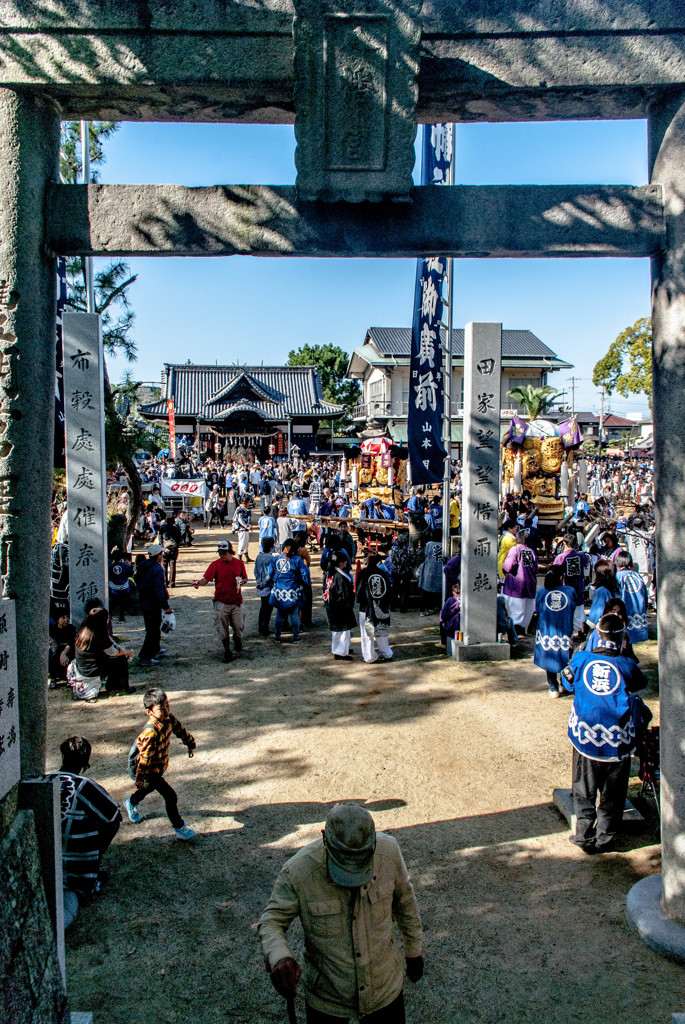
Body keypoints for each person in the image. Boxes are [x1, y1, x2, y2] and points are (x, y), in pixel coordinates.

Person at [258, 802, 423, 1024]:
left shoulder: (389, 851)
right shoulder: (298, 871)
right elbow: (271, 921)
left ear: (374, 841)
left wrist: (414, 950)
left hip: (385, 992)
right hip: (328, 1003)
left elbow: (405, 900)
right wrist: (279, 957)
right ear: (324, 838)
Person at [560, 613, 650, 853]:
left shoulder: (581, 659)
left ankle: (583, 835)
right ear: (622, 637)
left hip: (586, 736)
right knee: (613, 793)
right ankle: (605, 837)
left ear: (597, 634)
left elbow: (566, 682)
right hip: (617, 740)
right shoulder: (625, 664)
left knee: (583, 788)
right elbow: (641, 682)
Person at [46, 736, 121, 920]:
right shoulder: (85, 786)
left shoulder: (46, 780)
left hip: (45, 864)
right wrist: (98, 852)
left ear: (63, 756)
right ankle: (90, 877)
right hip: (75, 871)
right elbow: (114, 817)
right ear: (86, 762)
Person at [123, 687, 197, 840]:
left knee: (147, 789)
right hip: (149, 771)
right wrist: (140, 779)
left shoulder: (168, 718)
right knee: (170, 796)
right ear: (149, 712)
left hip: (158, 767)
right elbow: (144, 759)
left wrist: (190, 743)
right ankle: (179, 828)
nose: (166, 710)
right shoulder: (150, 733)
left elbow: (179, 729)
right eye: (161, 709)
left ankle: (131, 801)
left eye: (167, 706)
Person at [193, 540, 247, 662]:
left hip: (236, 601)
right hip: (221, 602)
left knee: (239, 626)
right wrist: (199, 583)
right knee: (222, 628)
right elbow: (206, 579)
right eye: (220, 553)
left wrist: (243, 581)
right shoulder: (215, 565)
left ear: (230, 552)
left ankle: (237, 639)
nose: (221, 555)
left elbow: (245, 578)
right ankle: (227, 651)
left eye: (223, 553)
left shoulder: (239, 563)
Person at [71, 608, 135, 699]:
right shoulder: (98, 634)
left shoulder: (86, 630)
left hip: (83, 667)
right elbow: (112, 652)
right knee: (120, 659)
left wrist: (120, 648)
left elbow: (109, 641)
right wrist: (128, 653)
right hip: (91, 669)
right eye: (107, 617)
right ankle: (122, 688)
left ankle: (113, 686)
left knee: (116, 657)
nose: (109, 620)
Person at [534, 566, 576, 698]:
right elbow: (573, 608)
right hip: (564, 629)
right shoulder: (570, 591)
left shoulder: (542, 592)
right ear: (561, 577)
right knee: (565, 657)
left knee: (549, 656)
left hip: (547, 630)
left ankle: (553, 686)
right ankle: (564, 683)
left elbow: (538, 609)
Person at [267, 538, 311, 644]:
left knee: (279, 615)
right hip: (293, 591)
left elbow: (270, 573)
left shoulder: (276, 558)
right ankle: (296, 637)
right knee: (294, 614)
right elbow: (305, 573)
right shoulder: (297, 560)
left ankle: (277, 636)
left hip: (279, 591)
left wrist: (271, 583)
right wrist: (306, 582)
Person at [135, 544, 173, 666]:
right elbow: (158, 589)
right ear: (158, 556)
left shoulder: (142, 566)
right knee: (152, 630)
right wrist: (165, 606)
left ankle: (155, 650)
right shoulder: (157, 569)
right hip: (153, 603)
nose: (162, 556)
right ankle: (145, 656)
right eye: (161, 554)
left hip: (144, 600)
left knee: (153, 629)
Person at [356, 554, 393, 663]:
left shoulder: (363, 573)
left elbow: (359, 592)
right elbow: (389, 590)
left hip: (366, 607)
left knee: (367, 634)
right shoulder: (383, 573)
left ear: (367, 561)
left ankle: (369, 656)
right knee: (381, 631)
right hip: (382, 606)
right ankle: (386, 653)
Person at [553, 532, 591, 637]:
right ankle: (580, 631)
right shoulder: (582, 555)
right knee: (579, 611)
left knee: (566, 610)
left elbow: (555, 573)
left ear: (564, 543)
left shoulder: (560, 558)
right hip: (578, 586)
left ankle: (566, 631)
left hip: (565, 588)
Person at [501, 530, 538, 634]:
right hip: (530, 585)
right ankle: (522, 631)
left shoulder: (515, 550)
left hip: (515, 586)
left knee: (514, 613)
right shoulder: (531, 551)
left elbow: (508, 567)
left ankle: (515, 635)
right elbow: (535, 569)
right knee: (526, 611)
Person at [322, 551, 356, 659]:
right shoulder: (339, 577)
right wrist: (349, 604)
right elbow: (345, 594)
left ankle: (338, 649)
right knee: (343, 631)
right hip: (341, 607)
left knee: (336, 631)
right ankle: (341, 652)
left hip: (331, 606)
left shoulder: (329, 574)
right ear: (341, 563)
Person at [615, 551, 649, 643]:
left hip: (625, 611)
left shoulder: (617, 576)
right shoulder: (637, 576)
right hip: (639, 612)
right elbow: (645, 594)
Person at [254, 536, 277, 637]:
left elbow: (255, 571)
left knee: (263, 607)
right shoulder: (271, 558)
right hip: (267, 586)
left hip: (260, 584)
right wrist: (264, 583)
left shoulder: (259, 556)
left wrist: (259, 581)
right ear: (271, 546)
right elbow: (270, 574)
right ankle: (264, 628)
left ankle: (261, 627)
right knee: (267, 609)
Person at [417, 531, 443, 616]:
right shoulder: (444, 544)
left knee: (426, 591)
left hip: (429, 570)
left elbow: (425, 554)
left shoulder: (429, 544)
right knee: (439, 592)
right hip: (440, 570)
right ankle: (437, 608)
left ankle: (423, 610)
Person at [49, 607, 76, 687]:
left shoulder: (71, 628)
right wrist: (61, 654)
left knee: (72, 655)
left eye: (67, 617)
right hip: (56, 650)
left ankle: (69, 677)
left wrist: (64, 653)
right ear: (57, 619)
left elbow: (71, 642)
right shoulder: (52, 629)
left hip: (68, 649)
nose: (66, 619)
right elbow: (53, 643)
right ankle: (53, 677)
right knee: (52, 655)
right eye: (63, 618)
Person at [108, 549, 135, 621]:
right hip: (124, 587)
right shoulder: (125, 565)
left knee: (113, 602)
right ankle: (121, 616)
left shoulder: (109, 567)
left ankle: (110, 615)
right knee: (123, 602)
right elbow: (130, 574)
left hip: (113, 587)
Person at [158, 512, 183, 587]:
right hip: (174, 549)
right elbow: (179, 540)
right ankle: (172, 582)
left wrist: (162, 548)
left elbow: (160, 539)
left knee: (164, 566)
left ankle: (165, 582)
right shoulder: (176, 529)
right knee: (172, 565)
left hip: (165, 548)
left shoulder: (163, 528)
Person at [232, 494, 253, 562]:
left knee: (246, 544)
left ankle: (247, 557)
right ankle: (239, 558)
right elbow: (240, 519)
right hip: (242, 529)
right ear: (244, 502)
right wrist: (246, 526)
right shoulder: (240, 509)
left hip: (245, 529)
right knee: (242, 543)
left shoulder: (243, 508)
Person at [439, 583, 460, 648]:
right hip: (462, 626)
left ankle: (443, 642)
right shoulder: (465, 599)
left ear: (453, 592)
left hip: (451, 627)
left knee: (442, 622)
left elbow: (444, 615)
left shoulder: (451, 600)